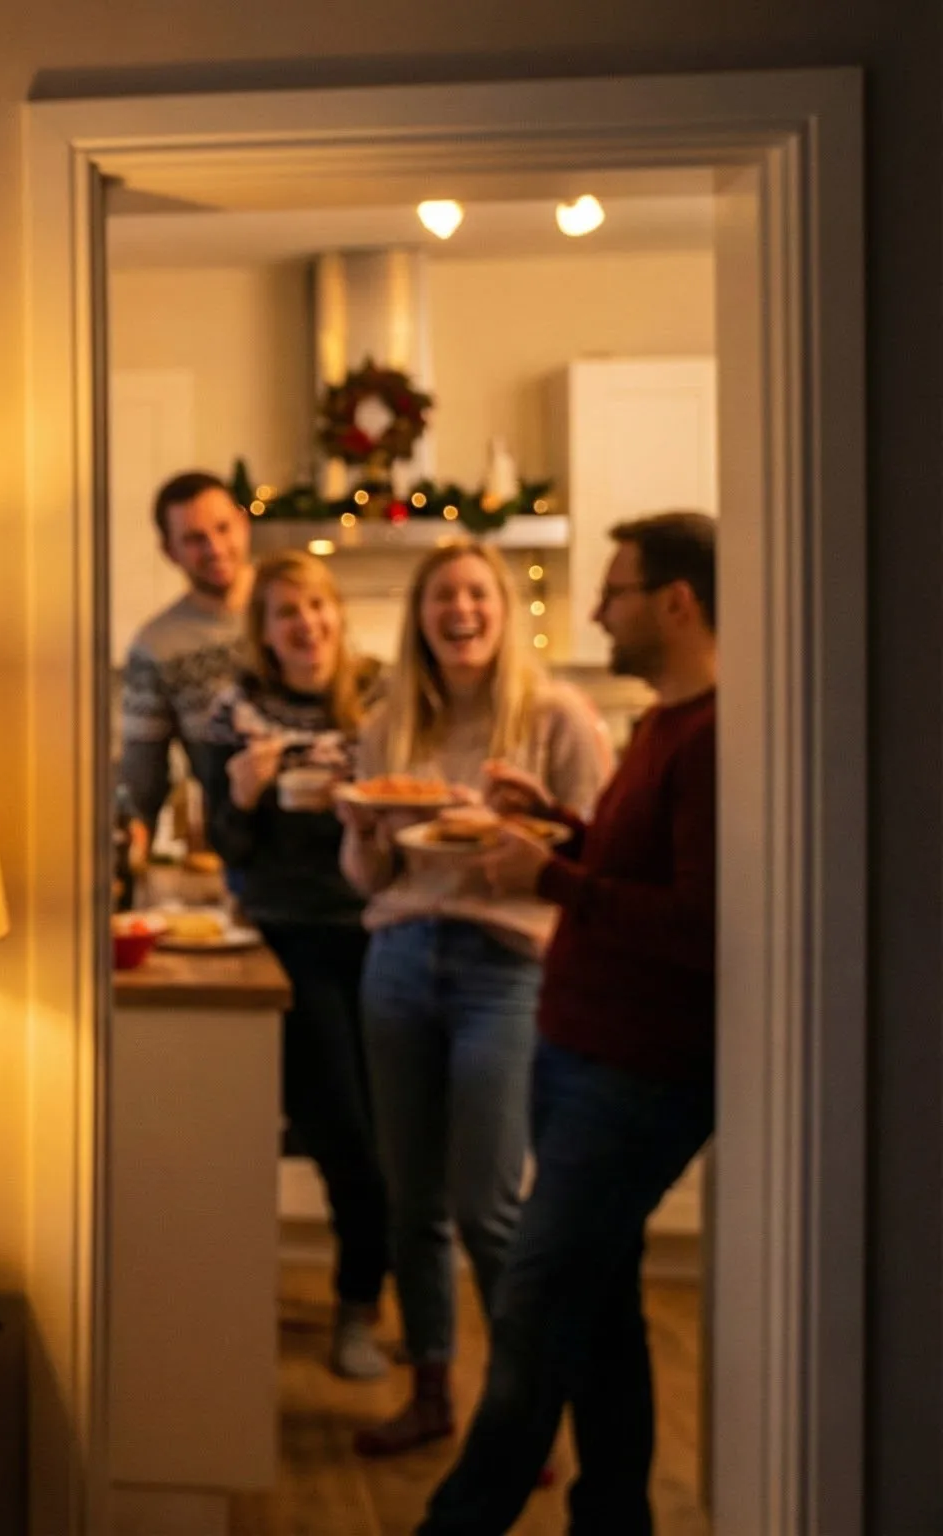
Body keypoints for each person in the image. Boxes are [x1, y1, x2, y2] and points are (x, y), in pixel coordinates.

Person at [419, 513, 721, 1535]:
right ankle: (613, 1516)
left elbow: (700, 925)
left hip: (635, 1074)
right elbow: (632, 867)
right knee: (600, 1310)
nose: (594, 610)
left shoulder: (713, 736)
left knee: (533, 1307)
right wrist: (556, 824)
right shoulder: (664, 722)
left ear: (675, 603)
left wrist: (547, 874)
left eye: (614, 591)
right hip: (582, 1053)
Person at [336, 542, 613, 1457]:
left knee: (490, 1205)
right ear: (419, 617)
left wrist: (513, 836)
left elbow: (594, 857)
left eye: (476, 594)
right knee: (410, 1199)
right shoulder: (390, 725)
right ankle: (431, 1393)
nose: (460, 611)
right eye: (442, 597)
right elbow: (371, 877)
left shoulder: (557, 717)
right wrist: (362, 830)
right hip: (399, 958)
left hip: (505, 966)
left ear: (503, 608)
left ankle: (522, 1416)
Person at [190, 551, 394, 1382]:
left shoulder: (382, 698)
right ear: (265, 633)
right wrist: (241, 794)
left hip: (386, 931)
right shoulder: (233, 713)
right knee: (345, 1131)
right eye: (285, 613)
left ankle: (385, 1301)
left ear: (337, 614)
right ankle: (355, 1308)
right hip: (290, 940)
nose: (305, 625)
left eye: (315, 607)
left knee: (395, 1134)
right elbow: (226, 845)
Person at [119, 470, 253, 838]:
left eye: (223, 528)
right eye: (194, 539)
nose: (215, 548)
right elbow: (142, 778)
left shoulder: (297, 609)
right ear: (169, 551)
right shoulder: (157, 645)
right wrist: (132, 839)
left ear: (243, 524)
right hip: (230, 841)